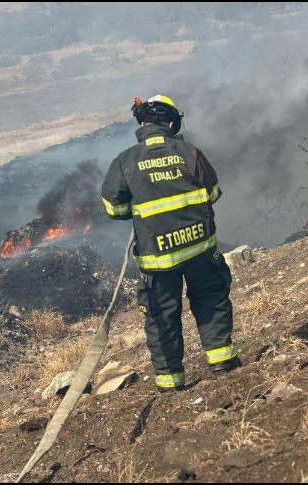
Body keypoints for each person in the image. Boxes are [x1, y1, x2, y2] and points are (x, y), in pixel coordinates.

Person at [101, 94, 241, 392]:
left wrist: (141, 209)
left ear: (142, 123)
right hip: (200, 249)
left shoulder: (125, 161)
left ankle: (171, 381)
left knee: (160, 315)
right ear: (171, 122)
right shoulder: (189, 152)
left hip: (158, 258)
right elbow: (213, 192)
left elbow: (113, 209)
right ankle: (222, 362)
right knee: (210, 298)